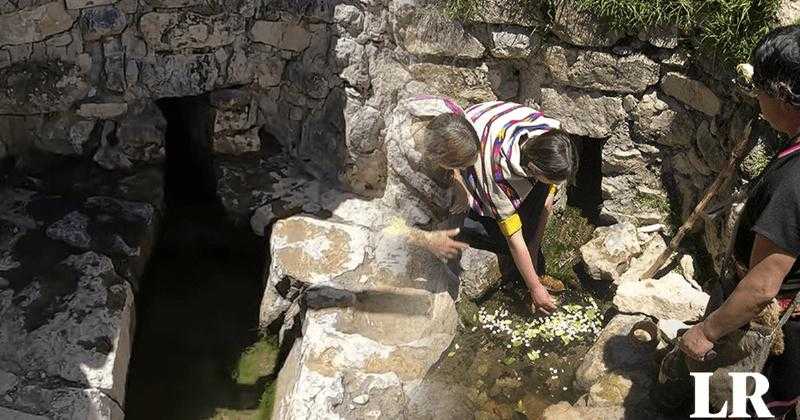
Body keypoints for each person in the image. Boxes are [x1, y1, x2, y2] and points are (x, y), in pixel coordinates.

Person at [679, 25, 800, 417]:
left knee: (734, 406)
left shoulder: (793, 182)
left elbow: (763, 287)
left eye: (760, 89)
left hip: (776, 332)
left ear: (782, 94)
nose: (758, 98)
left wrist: (705, 331)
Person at [418, 99, 578, 315]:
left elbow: (548, 193)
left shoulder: (553, 134)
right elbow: (514, 240)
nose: (555, 185)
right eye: (550, 179)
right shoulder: (498, 180)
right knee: (499, 239)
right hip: (468, 143)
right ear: (534, 170)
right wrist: (535, 288)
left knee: (535, 209)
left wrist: (535, 242)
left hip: (491, 125)